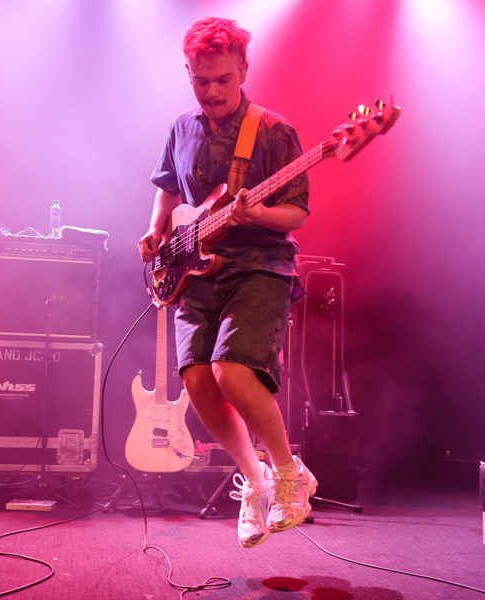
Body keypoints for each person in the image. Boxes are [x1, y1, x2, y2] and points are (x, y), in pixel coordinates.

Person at [137, 17, 316, 548]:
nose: (212, 92)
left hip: (259, 266)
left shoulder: (273, 130)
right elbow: (168, 189)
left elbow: (297, 213)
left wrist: (256, 213)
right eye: (201, 81)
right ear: (188, 73)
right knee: (197, 381)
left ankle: (290, 474)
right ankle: (256, 483)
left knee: (232, 372)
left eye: (223, 80)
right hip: (193, 268)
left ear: (244, 70)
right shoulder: (181, 127)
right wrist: (155, 231)